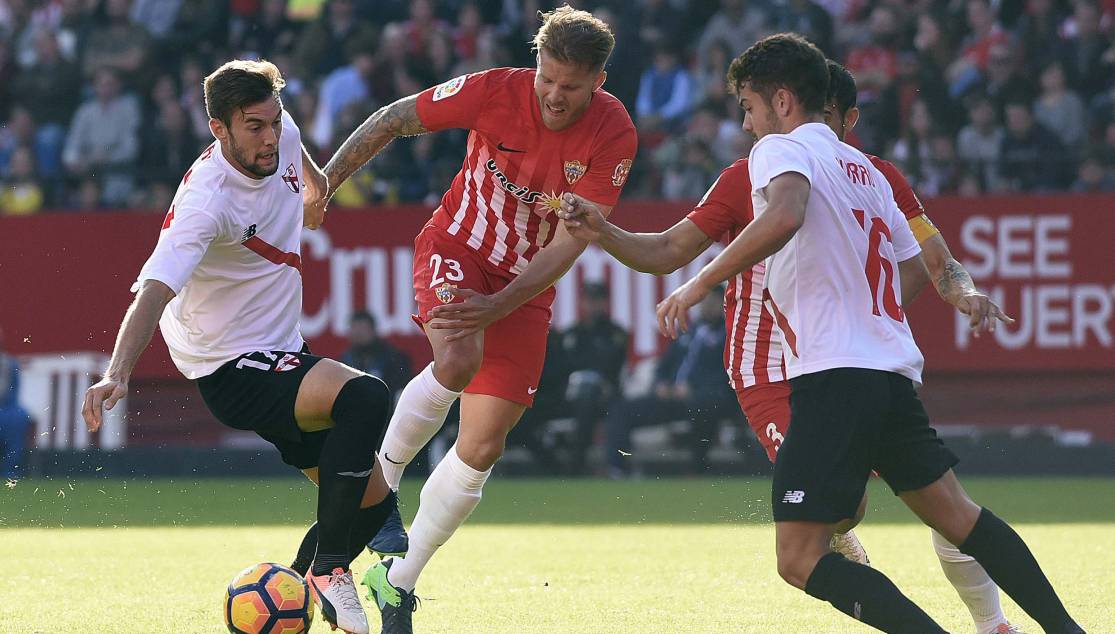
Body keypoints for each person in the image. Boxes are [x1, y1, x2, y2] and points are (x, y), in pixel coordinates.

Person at [561, 58, 1032, 634]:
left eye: (830, 119)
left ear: (843, 118)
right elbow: (667, 250)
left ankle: (993, 624)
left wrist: (906, 305)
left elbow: (927, 261)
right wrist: (604, 233)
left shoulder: (874, 173)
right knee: (849, 508)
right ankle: (851, 552)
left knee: (937, 507)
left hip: (847, 359)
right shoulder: (748, 174)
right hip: (770, 367)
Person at [315, 6, 637, 633]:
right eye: (547, 78)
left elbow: (573, 240)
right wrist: (326, 183)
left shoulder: (613, 132)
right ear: (536, 64)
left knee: (483, 445)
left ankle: (397, 581)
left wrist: (502, 303)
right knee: (457, 360)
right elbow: (392, 119)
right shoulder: (495, 89)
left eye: (570, 86)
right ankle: (378, 493)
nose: (553, 95)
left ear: (597, 81)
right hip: (457, 248)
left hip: (525, 286)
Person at [80, 60, 395, 634]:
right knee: (367, 399)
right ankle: (329, 569)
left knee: (369, 505)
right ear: (217, 129)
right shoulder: (206, 203)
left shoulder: (280, 134)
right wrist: (117, 373)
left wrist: (319, 191)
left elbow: (302, 163)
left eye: (274, 121)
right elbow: (153, 291)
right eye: (254, 127)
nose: (270, 136)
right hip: (230, 365)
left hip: (280, 350)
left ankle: (297, 594)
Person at [604, 289, 738, 477]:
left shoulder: (729, 335)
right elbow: (664, 365)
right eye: (705, 300)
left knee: (702, 405)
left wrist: (695, 388)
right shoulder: (687, 331)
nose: (708, 305)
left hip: (706, 397)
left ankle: (696, 469)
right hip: (673, 398)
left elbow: (727, 373)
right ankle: (615, 468)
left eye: (714, 301)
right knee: (622, 409)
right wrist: (660, 384)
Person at [339, 311, 413, 400]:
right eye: (355, 331)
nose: (359, 336)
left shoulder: (395, 360)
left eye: (363, 330)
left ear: (373, 331)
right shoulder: (345, 361)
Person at [0, 326, 32, 479]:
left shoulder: (8, 364)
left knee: (17, 417)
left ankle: (10, 473)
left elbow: (9, 393)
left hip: (7, 408)